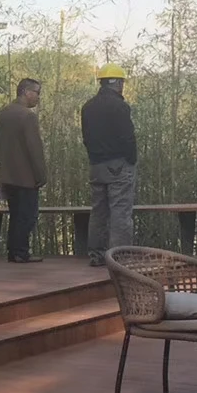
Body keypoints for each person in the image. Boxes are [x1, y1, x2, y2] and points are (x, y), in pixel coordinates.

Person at [80, 63, 137, 267]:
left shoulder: (87, 107)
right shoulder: (120, 106)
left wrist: (94, 158)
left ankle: (97, 254)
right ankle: (119, 259)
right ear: (118, 83)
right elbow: (127, 137)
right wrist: (131, 159)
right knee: (120, 212)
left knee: (99, 211)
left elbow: (86, 138)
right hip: (119, 165)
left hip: (96, 165)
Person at [0, 78, 47, 263]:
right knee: (27, 215)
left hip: (8, 174)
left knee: (15, 214)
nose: (38, 97)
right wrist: (41, 175)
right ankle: (21, 251)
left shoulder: (3, 113)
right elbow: (35, 149)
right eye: (37, 93)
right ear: (26, 92)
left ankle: (14, 251)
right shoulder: (27, 116)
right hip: (26, 176)